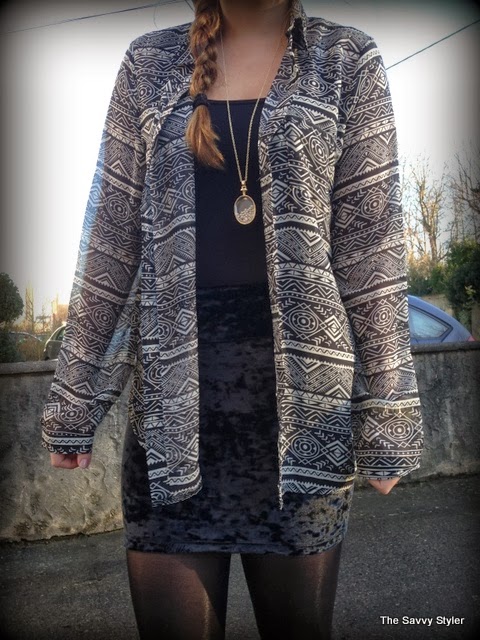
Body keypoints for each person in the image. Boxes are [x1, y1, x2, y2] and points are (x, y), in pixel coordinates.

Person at [41, 1, 424, 638]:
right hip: (171, 423)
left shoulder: (345, 60)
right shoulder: (148, 63)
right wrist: (75, 399)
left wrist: (387, 412)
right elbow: (111, 238)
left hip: (303, 422)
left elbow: (372, 252)